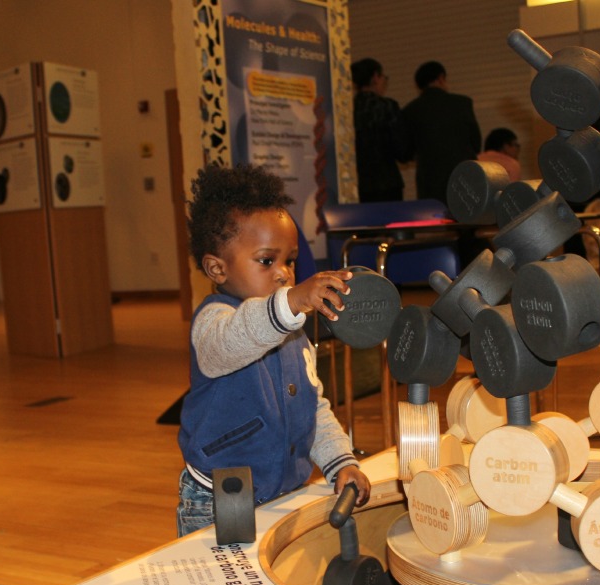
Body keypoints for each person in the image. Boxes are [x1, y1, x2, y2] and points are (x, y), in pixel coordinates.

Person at [177, 164, 372, 537]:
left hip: (284, 488)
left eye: (290, 260)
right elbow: (236, 338)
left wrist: (339, 461)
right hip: (223, 495)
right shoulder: (214, 321)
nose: (283, 273)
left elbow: (313, 405)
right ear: (217, 269)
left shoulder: (292, 333)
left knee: (275, 579)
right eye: (267, 261)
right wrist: (292, 302)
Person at [401, 61, 482, 205]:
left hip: (430, 180)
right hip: (464, 175)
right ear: (441, 77)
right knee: (466, 218)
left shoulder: (411, 110)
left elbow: (405, 152)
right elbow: (476, 142)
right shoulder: (462, 103)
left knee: (435, 221)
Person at [351, 58, 409, 202]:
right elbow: (402, 150)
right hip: (387, 183)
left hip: (358, 185)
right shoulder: (387, 107)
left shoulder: (346, 110)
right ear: (376, 77)